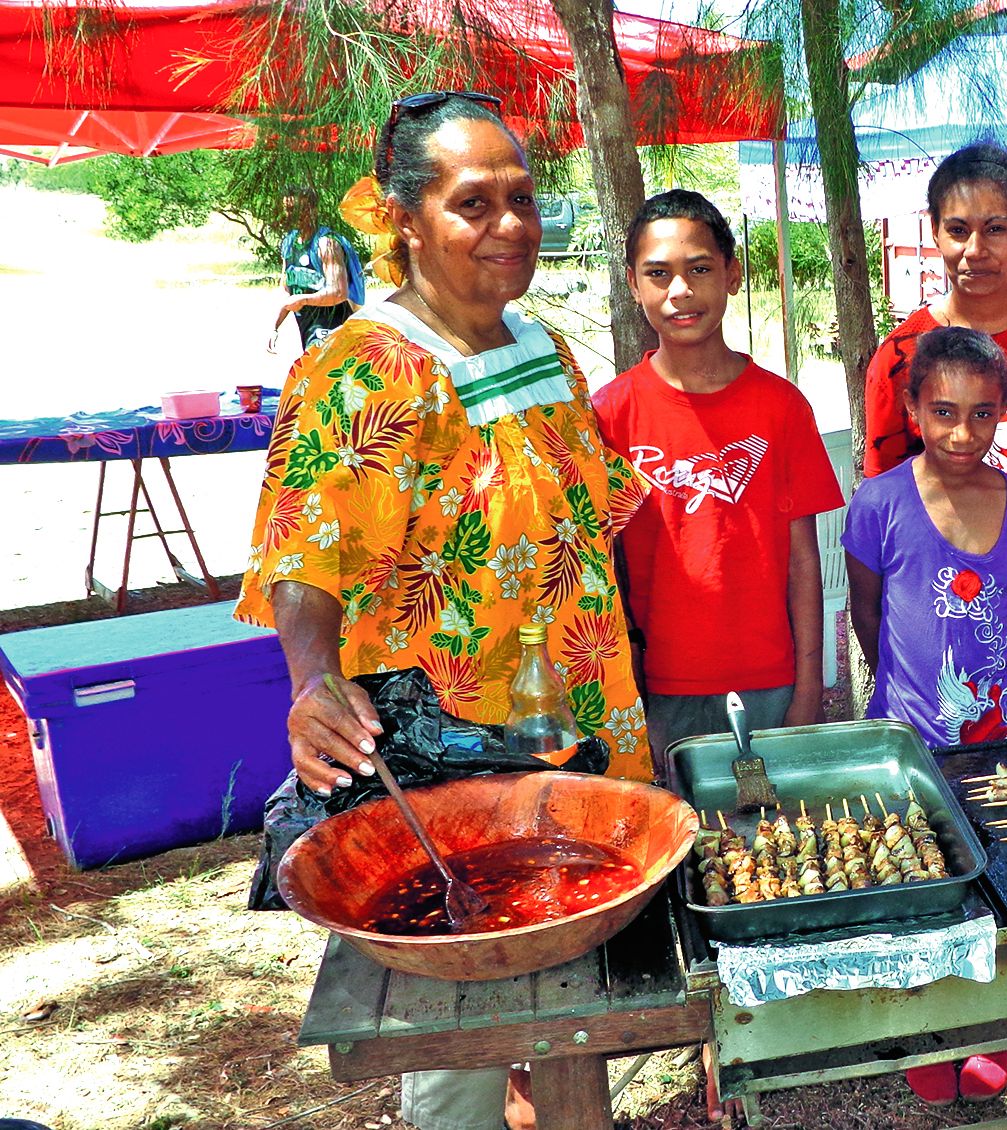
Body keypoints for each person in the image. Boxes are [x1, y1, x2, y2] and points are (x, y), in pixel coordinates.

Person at [235, 92, 651, 1130]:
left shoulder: (542, 350)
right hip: (451, 767)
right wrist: (311, 678)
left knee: (576, 1014)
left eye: (521, 198)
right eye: (475, 203)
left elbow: (584, 518)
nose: (510, 224)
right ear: (404, 221)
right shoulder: (355, 368)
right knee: (461, 1022)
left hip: (576, 740)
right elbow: (306, 552)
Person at [845, 325, 1007, 1106]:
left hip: (998, 740)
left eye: (981, 414)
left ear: (1003, 413)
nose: (961, 433)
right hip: (908, 740)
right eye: (942, 412)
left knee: (996, 884)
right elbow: (868, 611)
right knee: (916, 884)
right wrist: (900, 689)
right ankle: (924, 1022)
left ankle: (988, 1026)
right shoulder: (879, 502)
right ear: (911, 409)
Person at [592, 188, 844, 762]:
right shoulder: (610, 414)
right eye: (658, 274)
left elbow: (805, 560)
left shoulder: (781, 408)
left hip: (771, 680)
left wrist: (808, 689)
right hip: (658, 687)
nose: (680, 291)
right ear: (633, 285)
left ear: (731, 274)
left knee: (780, 842)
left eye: (699, 269)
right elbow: (604, 565)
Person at [863, 141, 1007, 736]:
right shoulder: (901, 356)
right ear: (934, 232)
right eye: (958, 229)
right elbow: (885, 514)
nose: (976, 251)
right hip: (945, 647)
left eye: (995, 229)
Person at [266, 185, 365, 353]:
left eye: (300, 209)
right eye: (289, 210)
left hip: (334, 329)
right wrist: (275, 326)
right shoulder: (289, 243)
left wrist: (303, 300)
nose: (294, 215)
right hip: (308, 328)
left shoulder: (326, 244)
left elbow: (339, 292)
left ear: (313, 210)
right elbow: (286, 289)